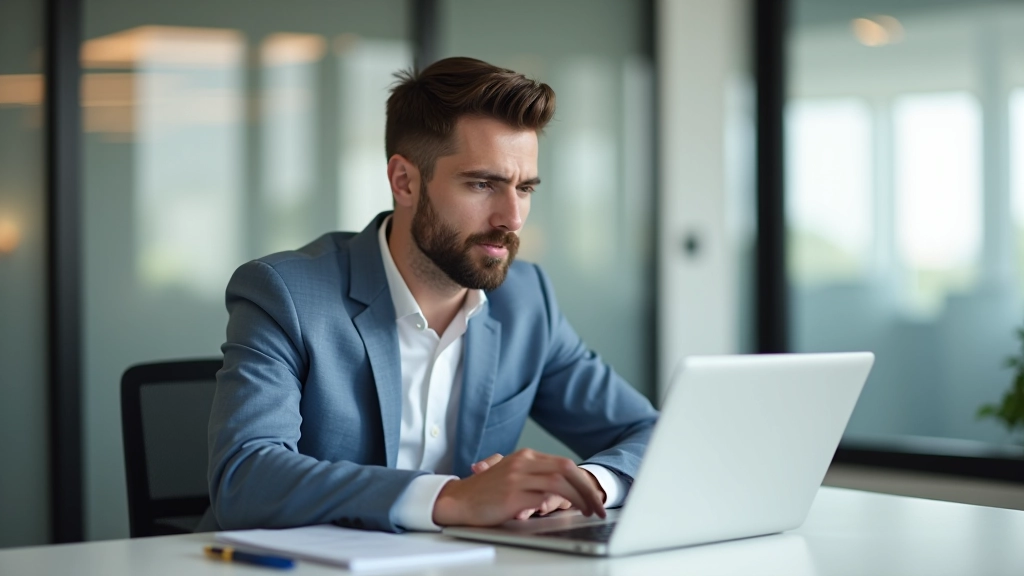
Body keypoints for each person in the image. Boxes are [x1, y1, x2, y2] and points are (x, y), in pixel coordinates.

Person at [203, 57, 658, 533]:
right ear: (405, 181)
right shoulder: (287, 295)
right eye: (483, 184)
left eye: (524, 188)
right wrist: (450, 497)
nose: (513, 217)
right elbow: (245, 475)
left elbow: (654, 434)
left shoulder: (527, 302)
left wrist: (589, 482)